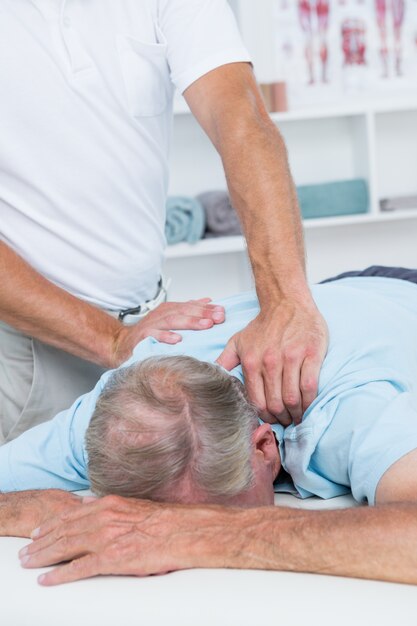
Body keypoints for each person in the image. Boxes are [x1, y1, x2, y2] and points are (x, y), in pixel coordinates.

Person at [0, 0, 328, 444]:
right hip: (25, 353)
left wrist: (286, 303)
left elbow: (241, 119)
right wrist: (111, 340)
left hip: (146, 332)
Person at [2, 266, 417, 585]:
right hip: (341, 299)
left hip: (397, 296)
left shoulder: (346, 413)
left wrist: (202, 535)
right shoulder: (104, 426)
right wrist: (26, 506)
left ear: (265, 449)